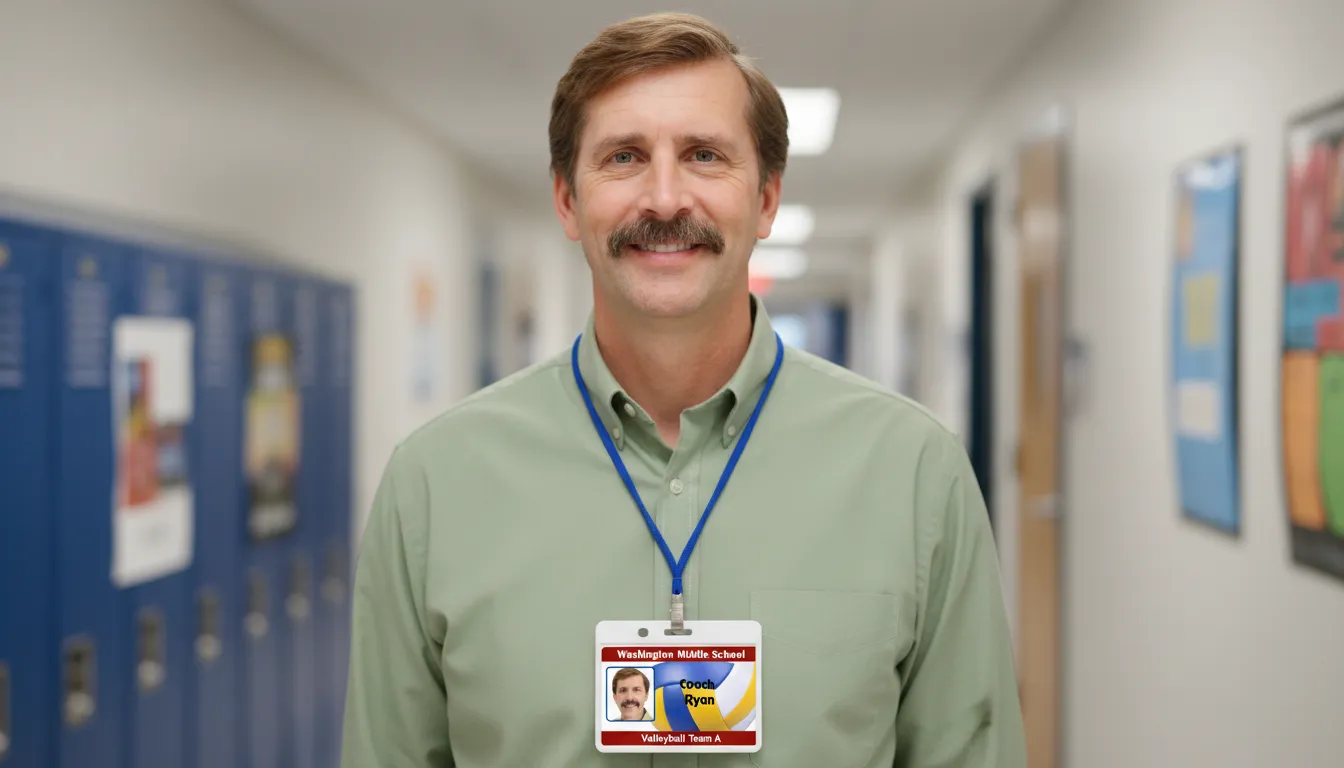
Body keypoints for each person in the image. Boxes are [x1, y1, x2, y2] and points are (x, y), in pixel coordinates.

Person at [340, 11, 1027, 768]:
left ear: (766, 199)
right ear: (568, 201)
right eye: (624, 157)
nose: (665, 200)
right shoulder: (436, 484)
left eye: (704, 155)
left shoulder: (913, 474)